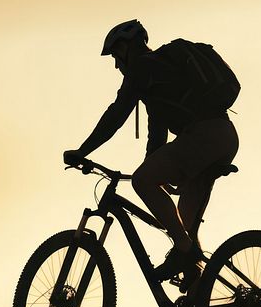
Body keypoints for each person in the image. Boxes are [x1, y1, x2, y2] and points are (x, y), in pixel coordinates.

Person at [63, 19, 239, 282]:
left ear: (127, 48)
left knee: (141, 180)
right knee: (185, 223)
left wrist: (83, 150)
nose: (115, 64)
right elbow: (157, 136)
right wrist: (158, 167)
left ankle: (183, 252)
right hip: (223, 136)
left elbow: (117, 114)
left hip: (204, 136)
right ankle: (197, 299)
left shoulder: (143, 67)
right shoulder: (160, 77)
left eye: (115, 55)